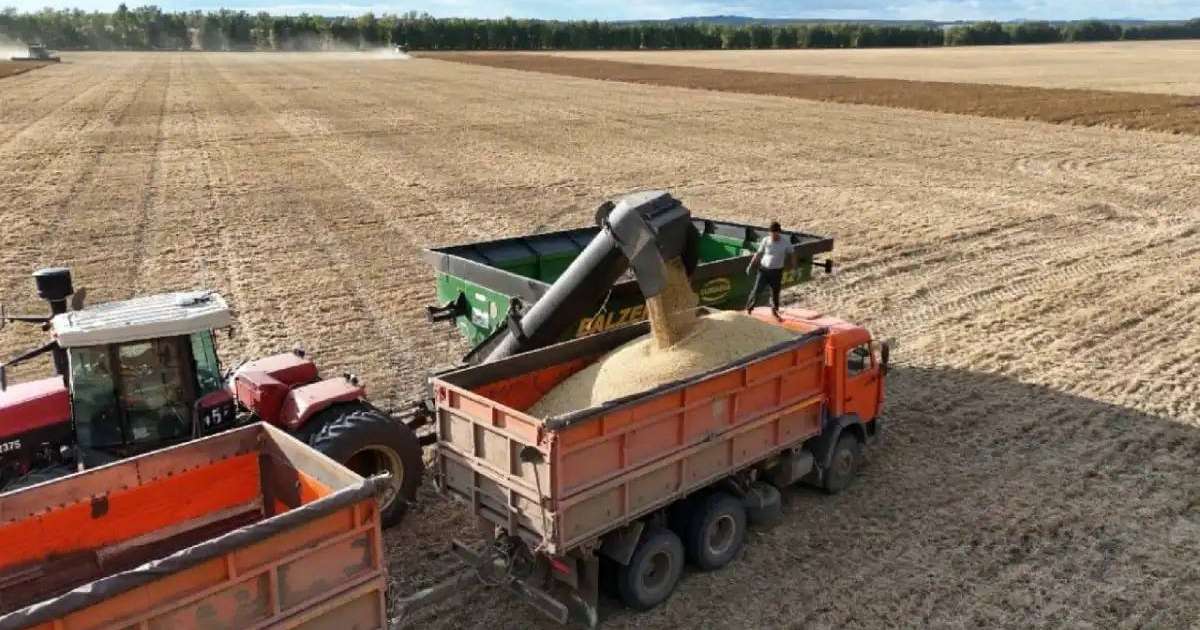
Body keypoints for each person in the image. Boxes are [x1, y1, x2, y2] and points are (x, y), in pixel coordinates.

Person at [745, 221, 793, 319]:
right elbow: (758, 253)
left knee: (775, 292)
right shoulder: (766, 240)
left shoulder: (785, 243)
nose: (773, 235)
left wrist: (793, 266)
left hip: (777, 271)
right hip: (764, 270)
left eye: (776, 233)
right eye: (772, 233)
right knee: (757, 290)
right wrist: (750, 265)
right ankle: (749, 309)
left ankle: (775, 311)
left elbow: (792, 253)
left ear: (779, 232)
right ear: (769, 232)